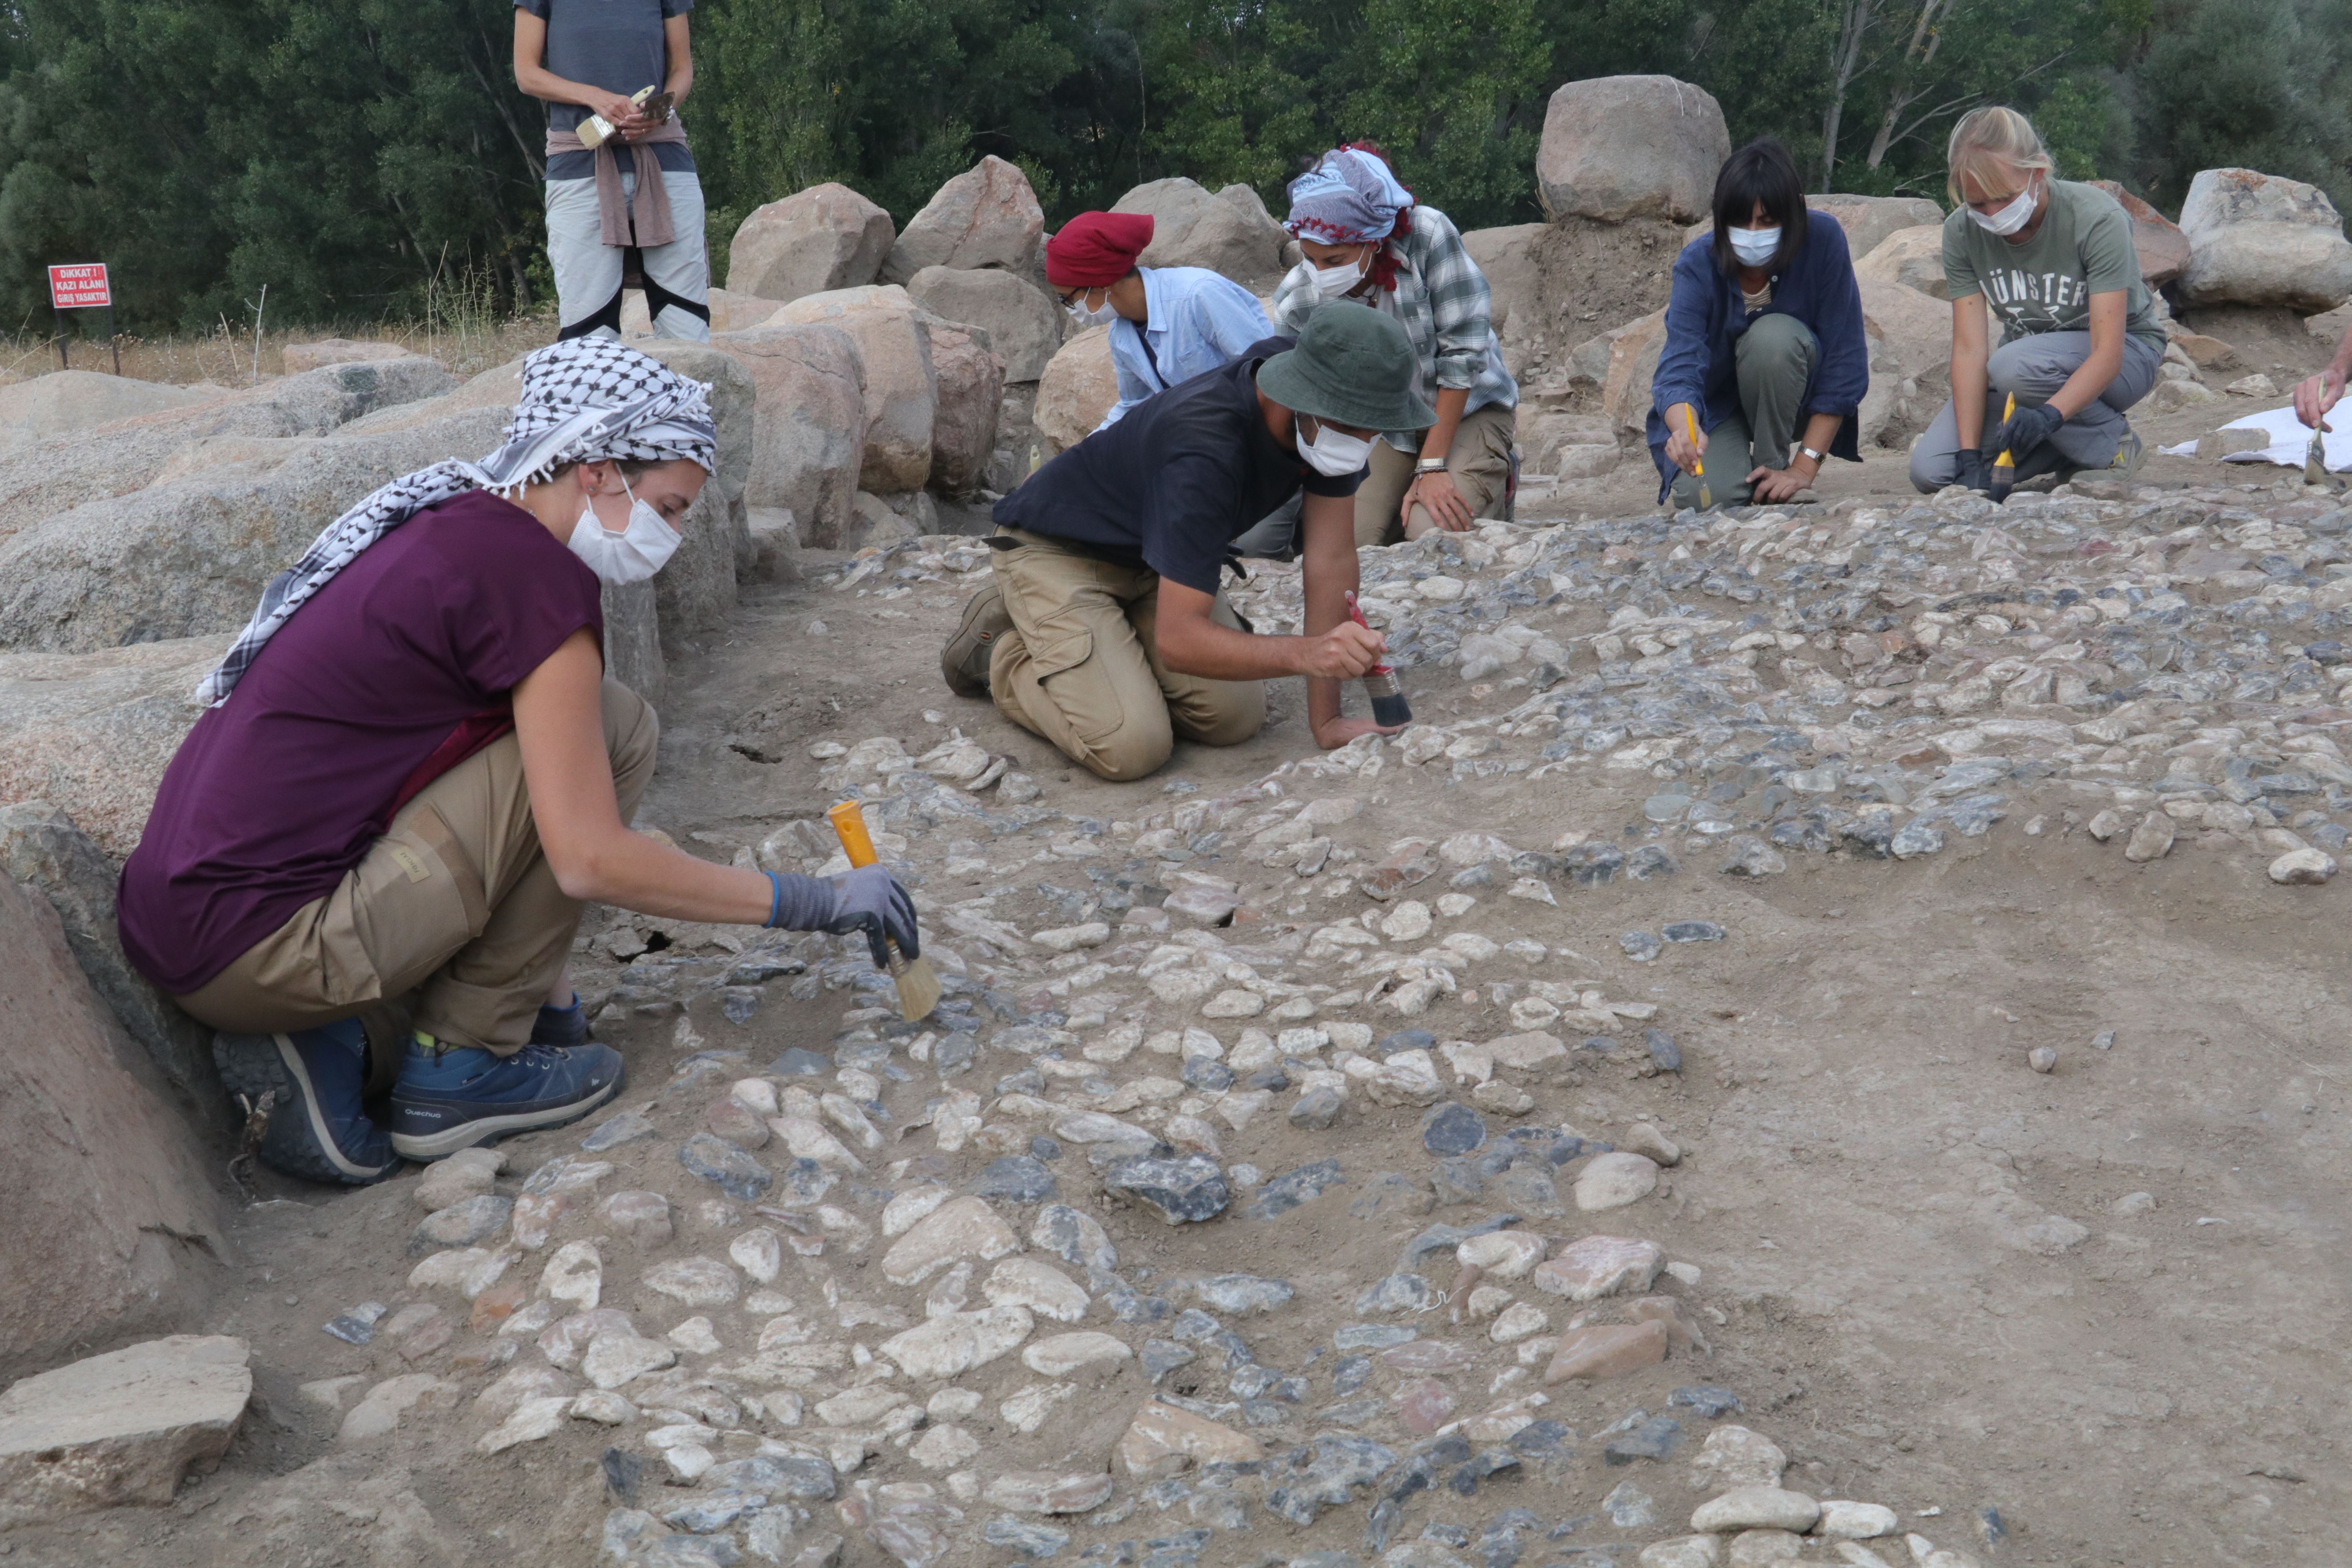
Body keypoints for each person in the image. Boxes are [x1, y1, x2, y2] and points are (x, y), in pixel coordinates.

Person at [117, 340, 919, 1184]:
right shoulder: (534, 582)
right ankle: (462, 1064)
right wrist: (816, 900)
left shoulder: (465, 528)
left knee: (578, 734)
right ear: (601, 470)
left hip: (186, 931)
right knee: (616, 730)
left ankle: (340, 1039)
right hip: (265, 948)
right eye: (671, 507)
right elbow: (586, 856)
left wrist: (552, 989)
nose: (675, 537)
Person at [936, 308, 1432, 781]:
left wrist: (1326, 723)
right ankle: (1003, 652)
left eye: (1373, 426)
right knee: (1131, 745)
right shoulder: (1203, 449)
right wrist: (1308, 653)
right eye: (1350, 425)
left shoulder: (1319, 404)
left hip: (1156, 560)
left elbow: (1330, 561)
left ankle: (1107, 643)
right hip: (1058, 551)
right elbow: (1180, 640)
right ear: (1299, 396)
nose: (1362, 441)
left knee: (1233, 720)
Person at [1269, 144, 1518, 548]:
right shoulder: (1297, 299)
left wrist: (1432, 467)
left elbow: (1462, 357)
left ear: (1374, 239)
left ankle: (1495, 473)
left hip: (1468, 410)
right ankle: (1409, 492)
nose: (1321, 275)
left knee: (1432, 535)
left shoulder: (1429, 236)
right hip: (1384, 425)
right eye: (1310, 260)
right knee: (1350, 542)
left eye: (1335, 261)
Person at [1909, 106, 2165, 493]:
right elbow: (1968, 349)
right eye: (1978, 205)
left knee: (2015, 365)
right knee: (1933, 472)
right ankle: (2068, 447)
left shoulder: (2096, 218)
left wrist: (2049, 415)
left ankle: (2115, 446)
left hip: (2124, 356)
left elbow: (2107, 353)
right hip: (2027, 373)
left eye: (2004, 198)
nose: (1993, 215)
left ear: (2038, 173)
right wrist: (1967, 454)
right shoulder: (1960, 234)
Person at [1651, 138, 1869, 509]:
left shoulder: (1824, 239)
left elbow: (1844, 365)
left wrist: (1804, 469)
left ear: (1795, 213)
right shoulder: (1697, 264)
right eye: (1740, 221)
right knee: (1705, 498)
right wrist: (1683, 429)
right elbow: (1679, 366)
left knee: (1774, 338)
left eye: (1768, 221)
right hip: (1720, 407)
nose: (1753, 233)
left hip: (1795, 397)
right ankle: (1743, 475)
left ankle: (1776, 472)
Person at [514, 0, 710, 342]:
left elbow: (682, 69)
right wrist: (594, 97)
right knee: (588, 334)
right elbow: (526, 74)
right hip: (579, 164)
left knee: (687, 329)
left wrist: (658, 113)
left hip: (665, 162)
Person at [1046, 212, 1276, 431]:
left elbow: (1266, 372)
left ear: (1102, 283)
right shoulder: (1121, 336)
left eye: (1068, 299)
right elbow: (1133, 406)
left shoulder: (1198, 296)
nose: (1071, 308)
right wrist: (1080, 459)